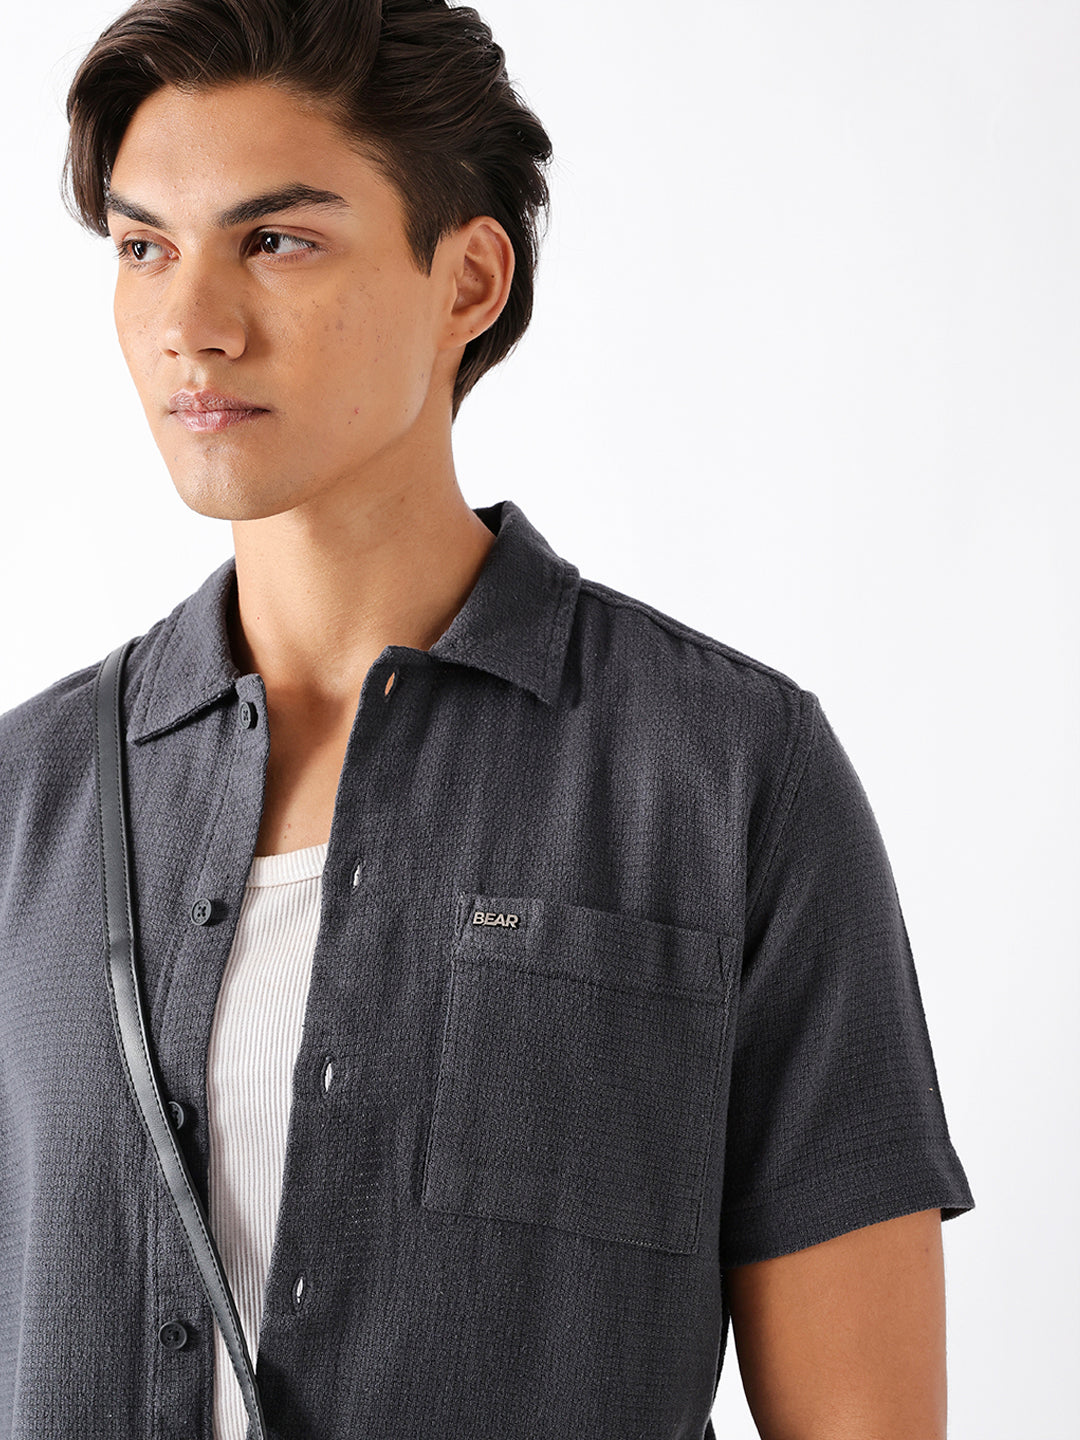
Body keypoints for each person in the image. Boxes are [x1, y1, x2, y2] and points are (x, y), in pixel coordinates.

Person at [0, 0, 974, 1436]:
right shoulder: (27, 802)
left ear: (467, 279)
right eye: (145, 248)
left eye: (276, 241)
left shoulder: (726, 779)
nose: (189, 327)